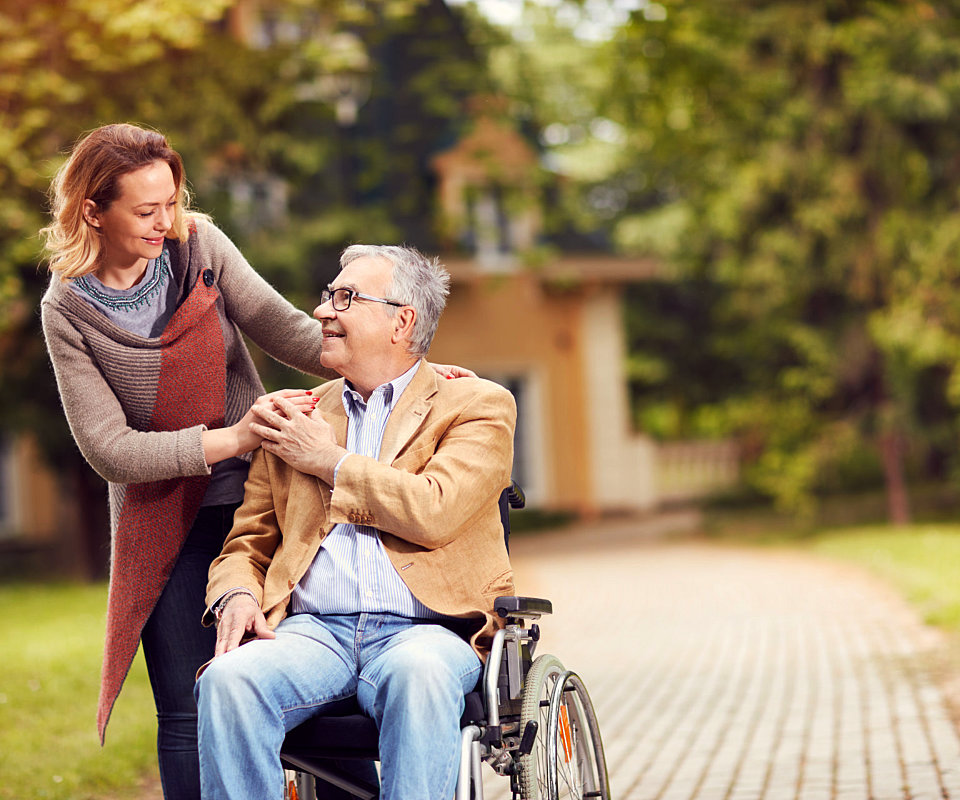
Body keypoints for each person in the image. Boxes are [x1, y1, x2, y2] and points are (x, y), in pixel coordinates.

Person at [39, 124, 471, 800]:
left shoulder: (199, 247)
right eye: (146, 211)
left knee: (323, 671)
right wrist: (234, 439)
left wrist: (403, 366)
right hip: (166, 516)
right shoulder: (67, 310)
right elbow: (109, 450)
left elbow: (290, 329)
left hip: (263, 494)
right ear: (94, 211)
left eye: (173, 202)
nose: (166, 222)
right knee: (188, 705)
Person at [195, 244, 517, 800]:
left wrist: (329, 461)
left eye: (345, 297)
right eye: (327, 296)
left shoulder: (478, 405)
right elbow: (246, 544)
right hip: (312, 632)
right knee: (227, 680)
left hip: (428, 631)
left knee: (419, 677)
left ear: (402, 321)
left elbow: (434, 510)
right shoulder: (297, 414)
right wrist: (237, 596)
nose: (322, 311)